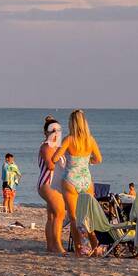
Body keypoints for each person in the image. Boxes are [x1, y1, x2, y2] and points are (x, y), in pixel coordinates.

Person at [53, 109, 103, 257]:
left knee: (74, 218)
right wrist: (88, 161)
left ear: (72, 124)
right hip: (86, 179)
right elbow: (98, 159)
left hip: (71, 179)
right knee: (88, 217)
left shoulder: (69, 139)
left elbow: (55, 158)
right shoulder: (90, 140)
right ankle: (94, 247)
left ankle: (79, 249)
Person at [38, 117, 67, 253]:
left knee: (51, 216)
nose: (56, 133)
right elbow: (50, 165)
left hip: (53, 184)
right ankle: (58, 246)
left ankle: (50, 247)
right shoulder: (46, 147)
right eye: (53, 131)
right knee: (60, 213)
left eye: (58, 130)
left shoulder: (58, 147)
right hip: (48, 183)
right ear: (46, 132)